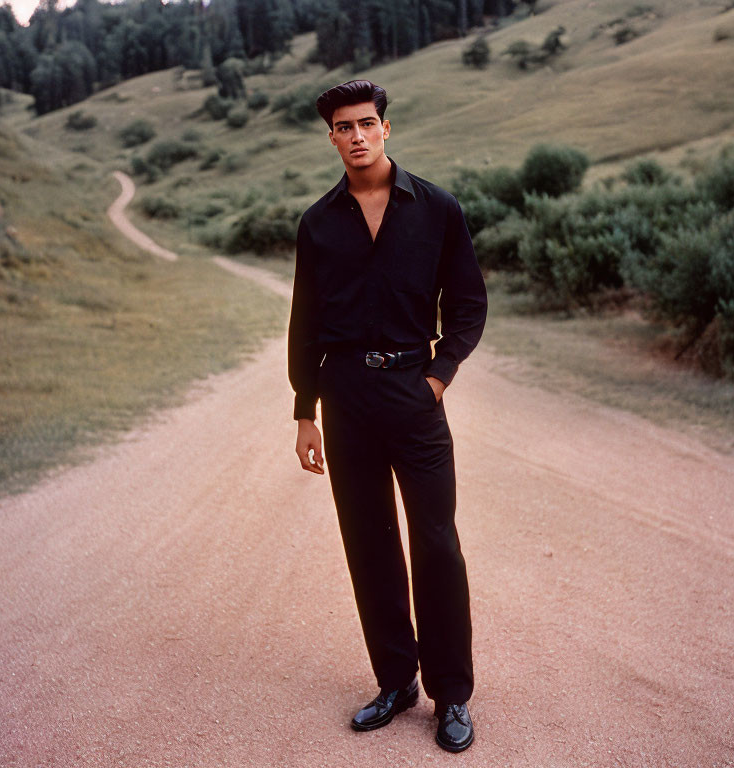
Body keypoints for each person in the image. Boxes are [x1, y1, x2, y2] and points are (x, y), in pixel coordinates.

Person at [287, 79, 487, 753]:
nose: (356, 135)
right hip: (343, 397)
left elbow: (467, 305)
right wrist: (304, 410)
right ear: (332, 137)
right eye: (343, 127)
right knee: (369, 545)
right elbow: (304, 323)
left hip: (412, 391)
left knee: (436, 543)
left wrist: (436, 378)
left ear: (386, 128)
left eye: (366, 123)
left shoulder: (437, 209)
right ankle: (396, 681)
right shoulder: (317, 223)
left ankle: (451, 695)